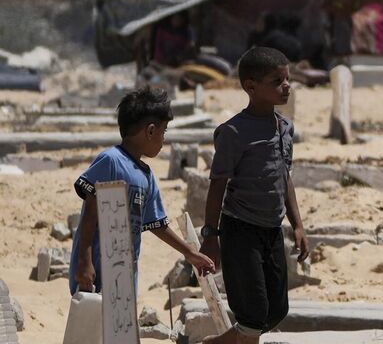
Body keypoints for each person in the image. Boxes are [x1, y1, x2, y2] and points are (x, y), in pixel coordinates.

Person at [203, 47, 307, 344]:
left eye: (287, 79)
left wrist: (297, 225)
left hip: (272, 230)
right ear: (251, 86)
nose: (286, 86)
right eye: (276, 81)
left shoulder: (284, 128)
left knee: (276, 311)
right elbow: (217, 185)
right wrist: (211, 236)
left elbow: (283, 177)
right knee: (252, 314)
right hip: (241, 230)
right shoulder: (234, 133)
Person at [70, 88, 216, 296]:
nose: (163, 139)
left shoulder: (146, 175)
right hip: (96, 269)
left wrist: (191, 253)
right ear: (150, 131)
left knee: (120, 326)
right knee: (92, 324)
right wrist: (84, 262)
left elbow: (158, 225)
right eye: (163, 132)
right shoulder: (111, 161)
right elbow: (89, 217)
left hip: (126, 272)